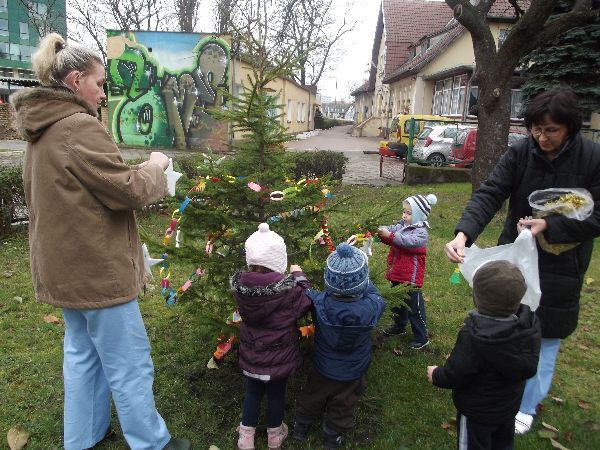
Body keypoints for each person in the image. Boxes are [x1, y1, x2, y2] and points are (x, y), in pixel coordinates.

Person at [10, 33, 191, 450]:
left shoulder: (42, 129)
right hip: (96, 271)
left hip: (64, 269)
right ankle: (151, 443)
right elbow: (129, 190)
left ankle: (83, 437)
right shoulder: (77, 127)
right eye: (98, 82)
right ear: (75, 81)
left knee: (82, 356)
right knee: (128, 363)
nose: (102, 91)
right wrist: (156, 165)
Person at [444, 88, 600, 434]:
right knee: (508, 325)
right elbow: (491, 193)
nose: (541, 137)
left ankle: (527, 405)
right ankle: (502, 385)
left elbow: (597, 215)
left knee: (545, 337)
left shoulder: (592, 158)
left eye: (551, 130)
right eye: (536, 129)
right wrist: (463, 234)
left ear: (570, 128)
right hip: (516, 259)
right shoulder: (520, 152)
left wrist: (551, 225)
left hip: (563, 266)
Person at [427, 260, 541, 450]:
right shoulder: (529, 326)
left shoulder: (474, 337)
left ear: (476, 297)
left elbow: (457, 372)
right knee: (502, 443)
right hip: (507, 407)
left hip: (476, 412)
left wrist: (437, 374)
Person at [293, 243, 385, 449]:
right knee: (344, 404)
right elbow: (376, 295)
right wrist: (362, 279)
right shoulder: (372, 306)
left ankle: (301, 425)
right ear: (362, 282)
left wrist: (298, 274)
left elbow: (305, 290)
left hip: (323, 366)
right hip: (353, 371)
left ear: (329, 280)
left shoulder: (319, 302)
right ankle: (333, 436)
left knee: (313, 395)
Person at [231, 223, 312, 450]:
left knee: (252, 392)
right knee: (276, 395)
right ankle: (274, 436)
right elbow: (307, 300)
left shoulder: (240, 288)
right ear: (279, 261)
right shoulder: (290, 291)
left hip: (252, 355)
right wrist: (299, 275)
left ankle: (245, 438)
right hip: (279, 357)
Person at [378, 193, 437, 349]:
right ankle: (399, 326)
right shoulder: (402, 226)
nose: (404, 215)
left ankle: (422, 337)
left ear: (419, 215)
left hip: (411, 278)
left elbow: (407, 242)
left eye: (409, 213)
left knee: (414, 309)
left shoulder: (420, 232)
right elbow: (391, 233)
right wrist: (379, 231)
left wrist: (390, 235)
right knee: (398, 303)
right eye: (404, 211)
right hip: (397, 274)